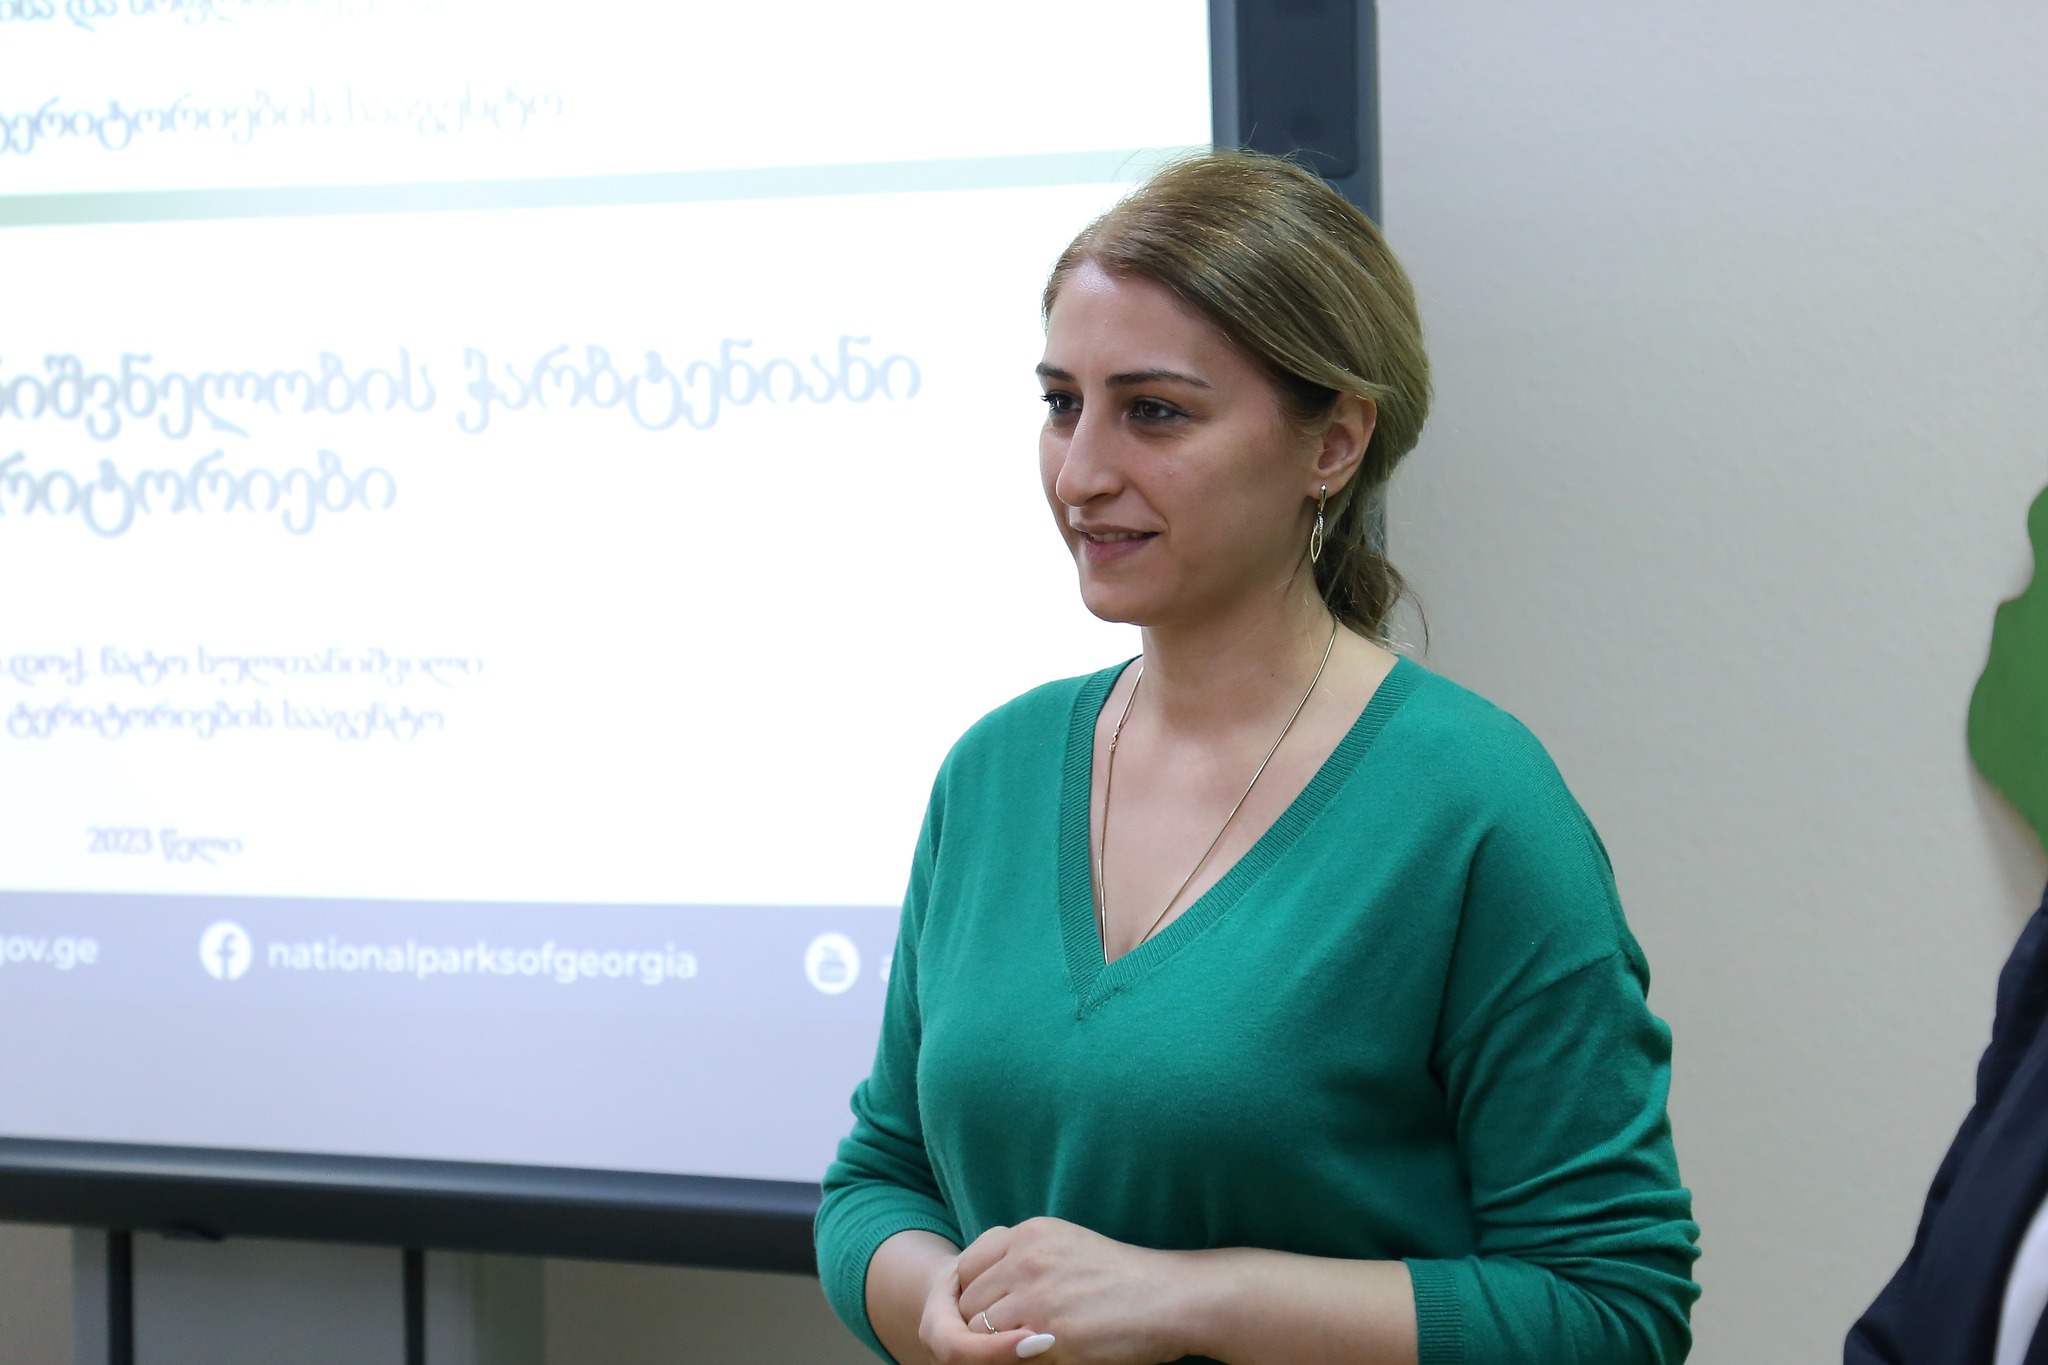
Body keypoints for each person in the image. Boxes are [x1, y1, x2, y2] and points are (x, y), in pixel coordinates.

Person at [813, 150, 1700, 1365]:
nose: (1080, 474)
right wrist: (935, 1304)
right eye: (1062, 404)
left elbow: (1612, 1310)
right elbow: (879, 1179)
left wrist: (1193, 1299)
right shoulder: (992, 773)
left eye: (1153, 412)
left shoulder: (1474, 807)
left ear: (1331, 443)